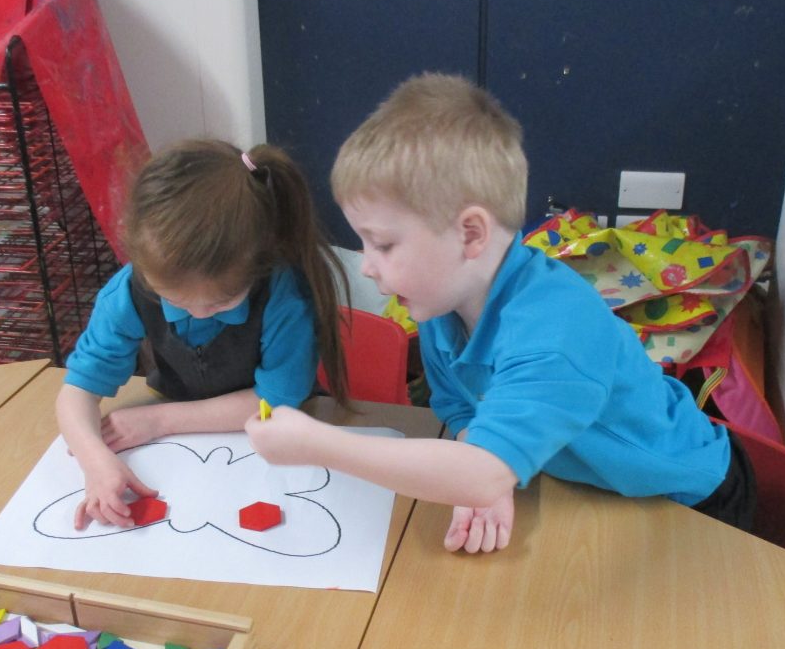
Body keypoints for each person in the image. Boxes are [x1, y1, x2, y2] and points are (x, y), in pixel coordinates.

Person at [245, 73, 754, 554]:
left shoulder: (554, 332)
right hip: (590, 492)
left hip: (689, 499)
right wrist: (492, 470)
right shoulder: (442, 307)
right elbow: (460, 408)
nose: (367, 267)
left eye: (383, 244)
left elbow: (479, 473)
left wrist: (321, 445)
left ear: (470, 234)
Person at [58, 139, 348, 530]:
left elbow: (276, 401)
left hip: (277, 439)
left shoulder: (283, 296)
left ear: (258, 266)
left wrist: (158, 421)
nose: (196, 313)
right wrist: (95, 461)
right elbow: (77, 391)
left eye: (220, 303)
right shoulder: (128, 292)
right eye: (174, 299)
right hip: (180, 451)